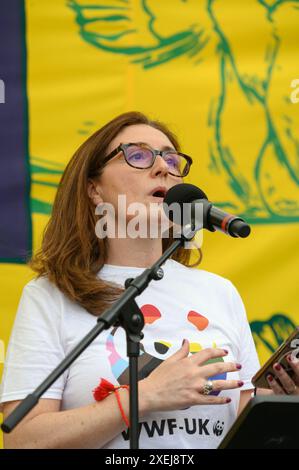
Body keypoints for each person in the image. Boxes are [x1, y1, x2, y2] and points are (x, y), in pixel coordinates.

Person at [0, 112, 297, 449]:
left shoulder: (219, 292)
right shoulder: (51, 296)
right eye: (138, 155)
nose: (163, 168)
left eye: (171, 159)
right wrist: (146, 396)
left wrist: (284, 402)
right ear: (93, 189)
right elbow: (23, 442)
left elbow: (246, 429)